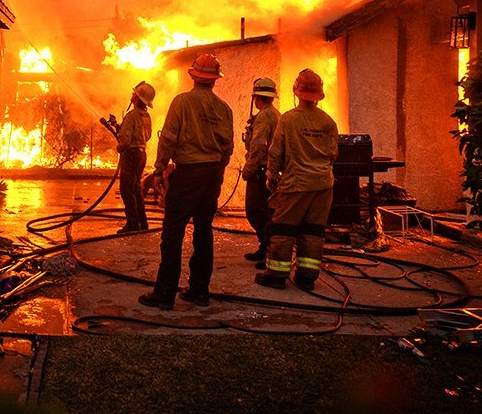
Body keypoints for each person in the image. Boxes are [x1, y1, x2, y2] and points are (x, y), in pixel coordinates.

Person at [138, 53, 234, 310]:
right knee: (204, 230)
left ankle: (165, 292)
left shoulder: (182, 102)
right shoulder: (224, 109)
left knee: (173, 232)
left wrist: (158, 170)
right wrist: (219, 171)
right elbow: (228, 147)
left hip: (188, 173)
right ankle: (199, 291)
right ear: (214, 80)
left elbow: (168, 138)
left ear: (193, 76)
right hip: (211, 173)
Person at [255, 69, 339, 291]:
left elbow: (275, 153)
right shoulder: (329, 122)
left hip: (296, 184)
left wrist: (271, 176)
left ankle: (277, 275)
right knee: (313, 230)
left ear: (297, 91)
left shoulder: (289, 119)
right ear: (319, 94)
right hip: (323, 185)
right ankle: (307, 277)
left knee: (283, 229)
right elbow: (333, 154)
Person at [242, 77, 281, 265]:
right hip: (269, 170)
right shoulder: (275, 114)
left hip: (260, 170)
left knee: (255, 211)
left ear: (257, 97)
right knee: (267, 211)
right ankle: (265, 248)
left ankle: (269, 250)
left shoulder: (264, 117)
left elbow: (258, 147)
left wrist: (248, 170)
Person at [116, 81, 155, 234]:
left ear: (137, 98)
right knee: (136, 188)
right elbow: (148, 135)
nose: (131, 95)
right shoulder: (146, 116)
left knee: (127, 189)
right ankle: (142, 222)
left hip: (131, 155)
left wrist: (120, 147)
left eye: (134, 94)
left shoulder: (132, 116)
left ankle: (132, 223)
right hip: (141, 154)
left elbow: (125, 140)